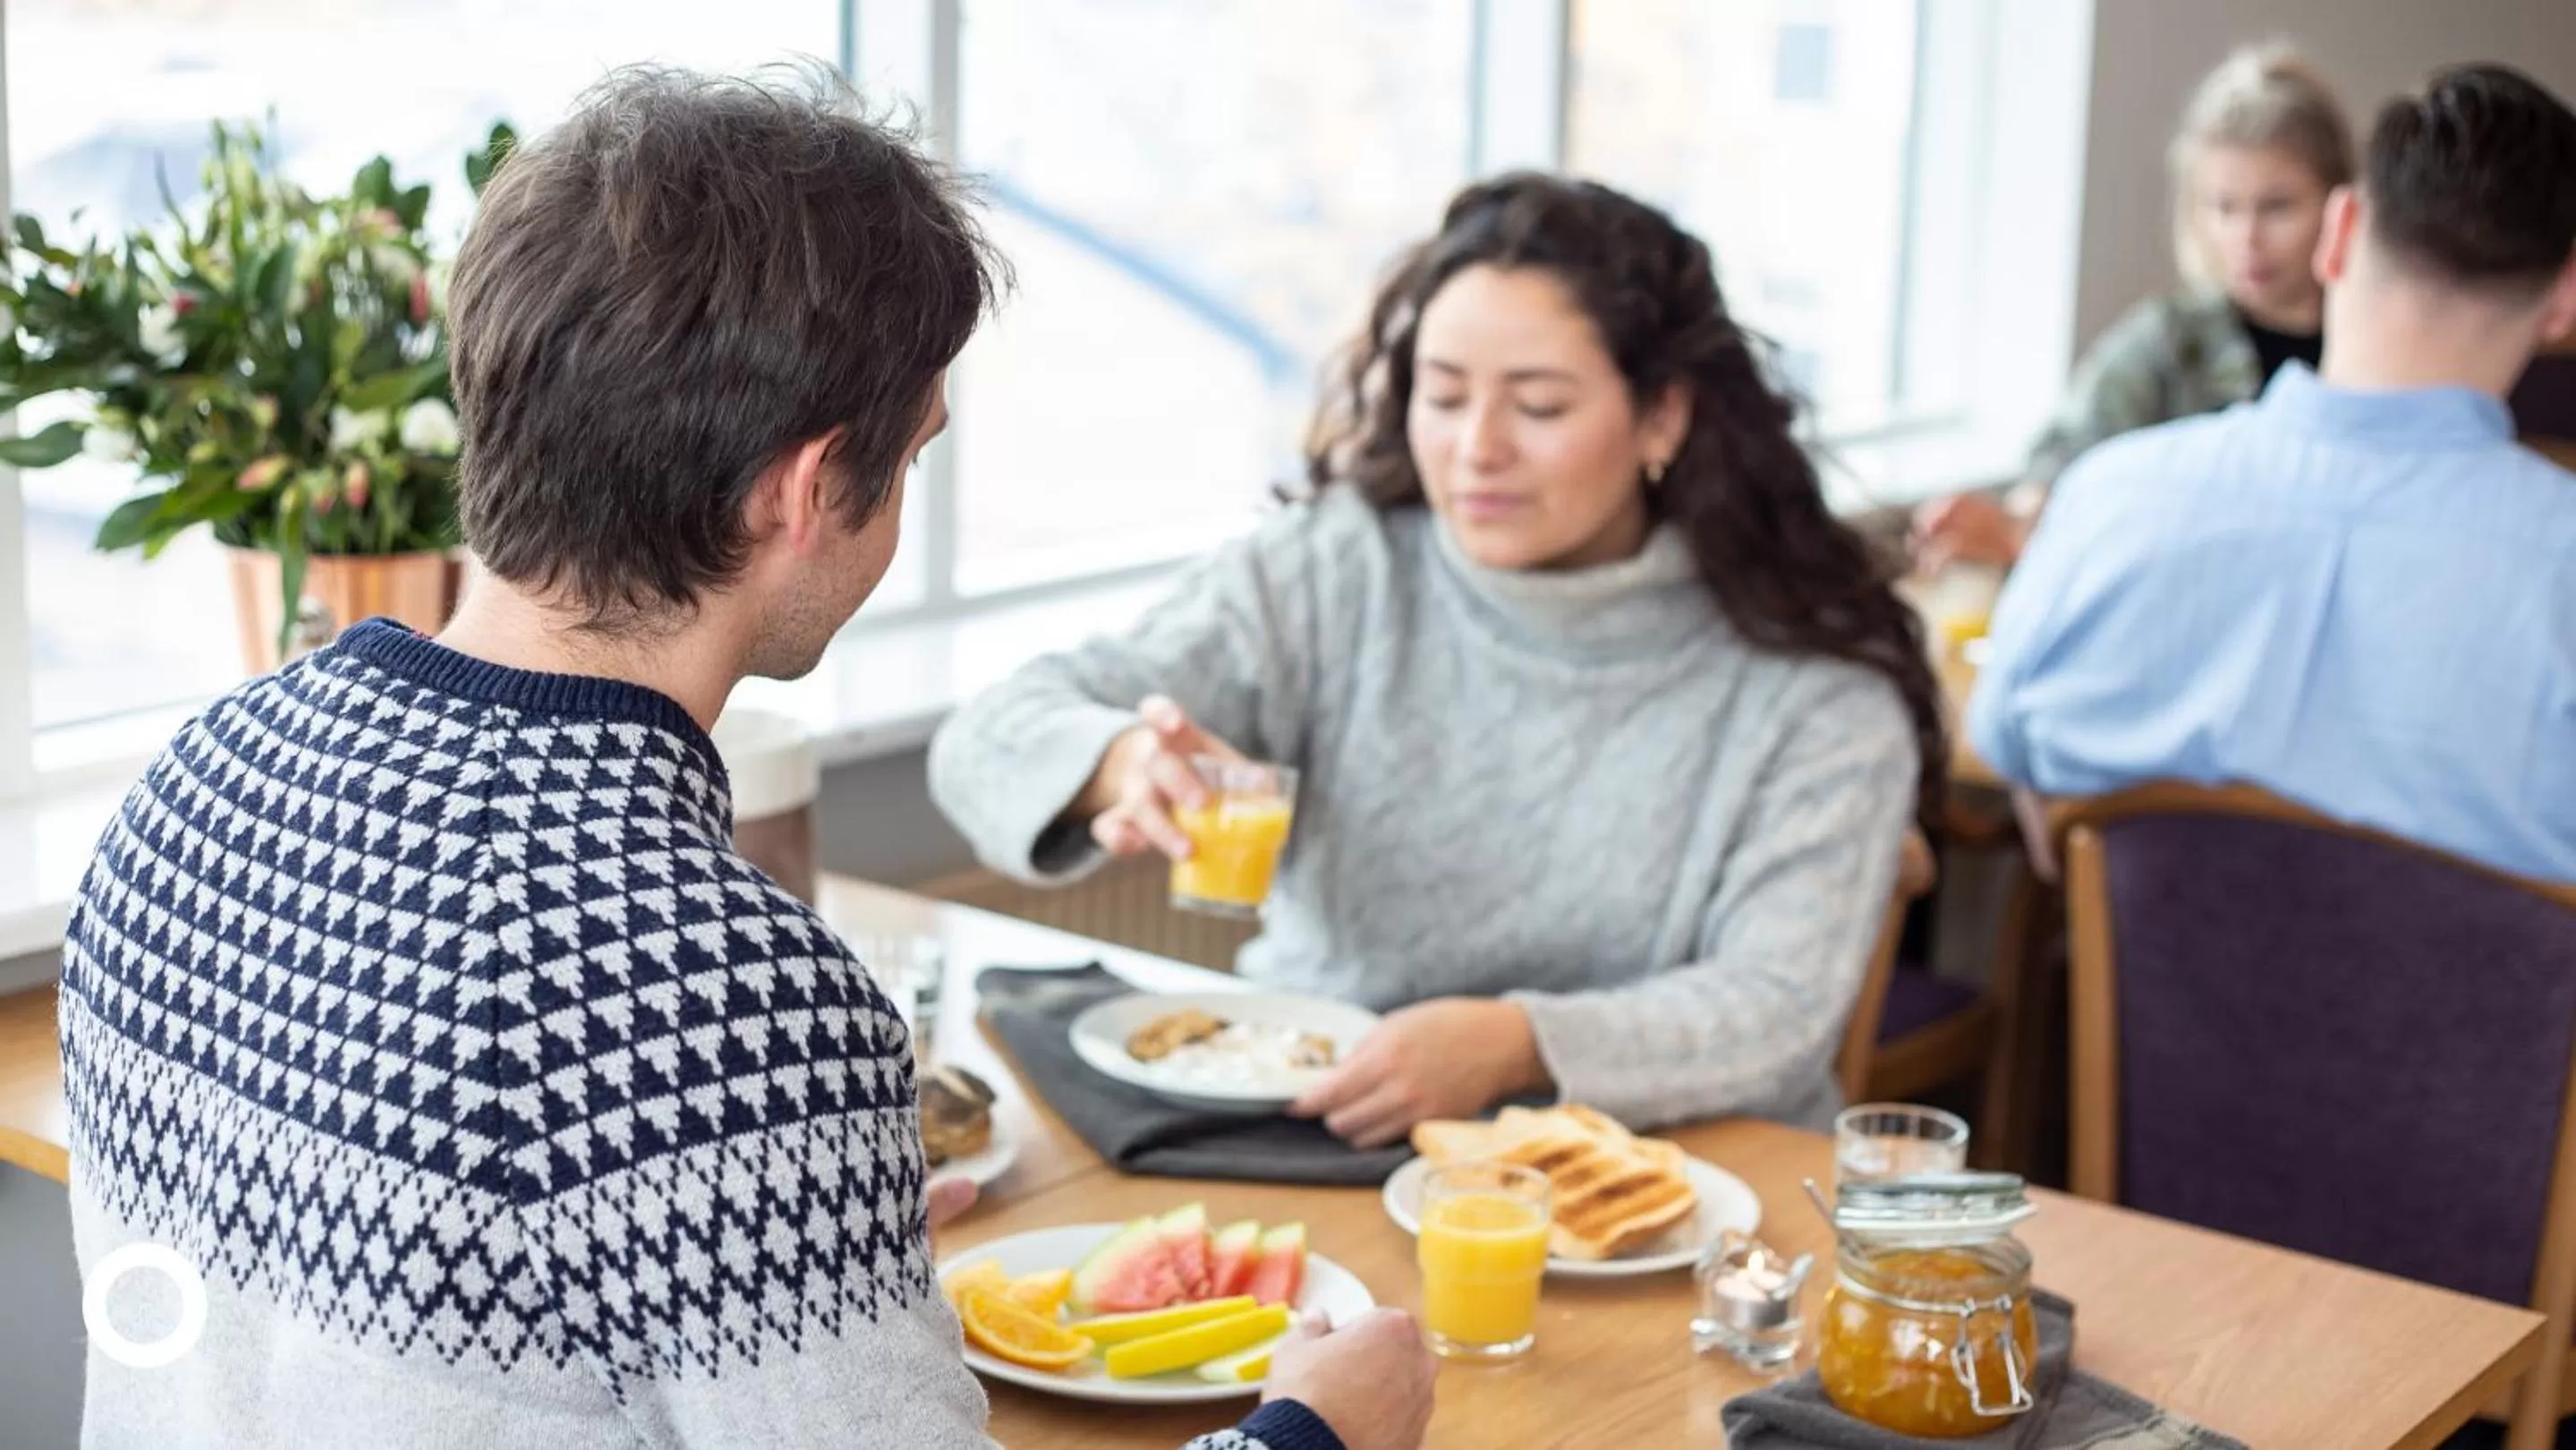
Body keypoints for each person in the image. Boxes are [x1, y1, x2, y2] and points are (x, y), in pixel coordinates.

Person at [58, 65, 1433, 1450]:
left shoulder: (195, 780)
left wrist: (807, 1253)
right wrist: (1307, 1434)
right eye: (908, 462)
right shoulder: (723, 1005)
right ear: (805, 490)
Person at [930, 174, 1943, 1147]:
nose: (1475, 449)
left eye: (1538, 407)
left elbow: (1774, 1008)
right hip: (1310, 1135)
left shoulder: (1814, 689)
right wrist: (1116, 761)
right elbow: (985, 739)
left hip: (1658, 1187)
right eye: (1444, 395)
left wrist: (1517, 1045)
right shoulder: (1337, 568)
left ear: (1661, 416)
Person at [1969, 63, 2576, 885]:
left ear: (2338, 232)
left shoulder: (2105, 501)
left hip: (2157, 974)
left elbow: (2039, 817)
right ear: (2564, 297)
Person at [1913, 45, 2353, 573]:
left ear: (2340, 205)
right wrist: (2016, 526)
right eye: (2224, 207)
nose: (2247, 238)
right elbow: (2065, 460)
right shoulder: (2170, 343)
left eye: (2277, 207)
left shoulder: (2377, 347)